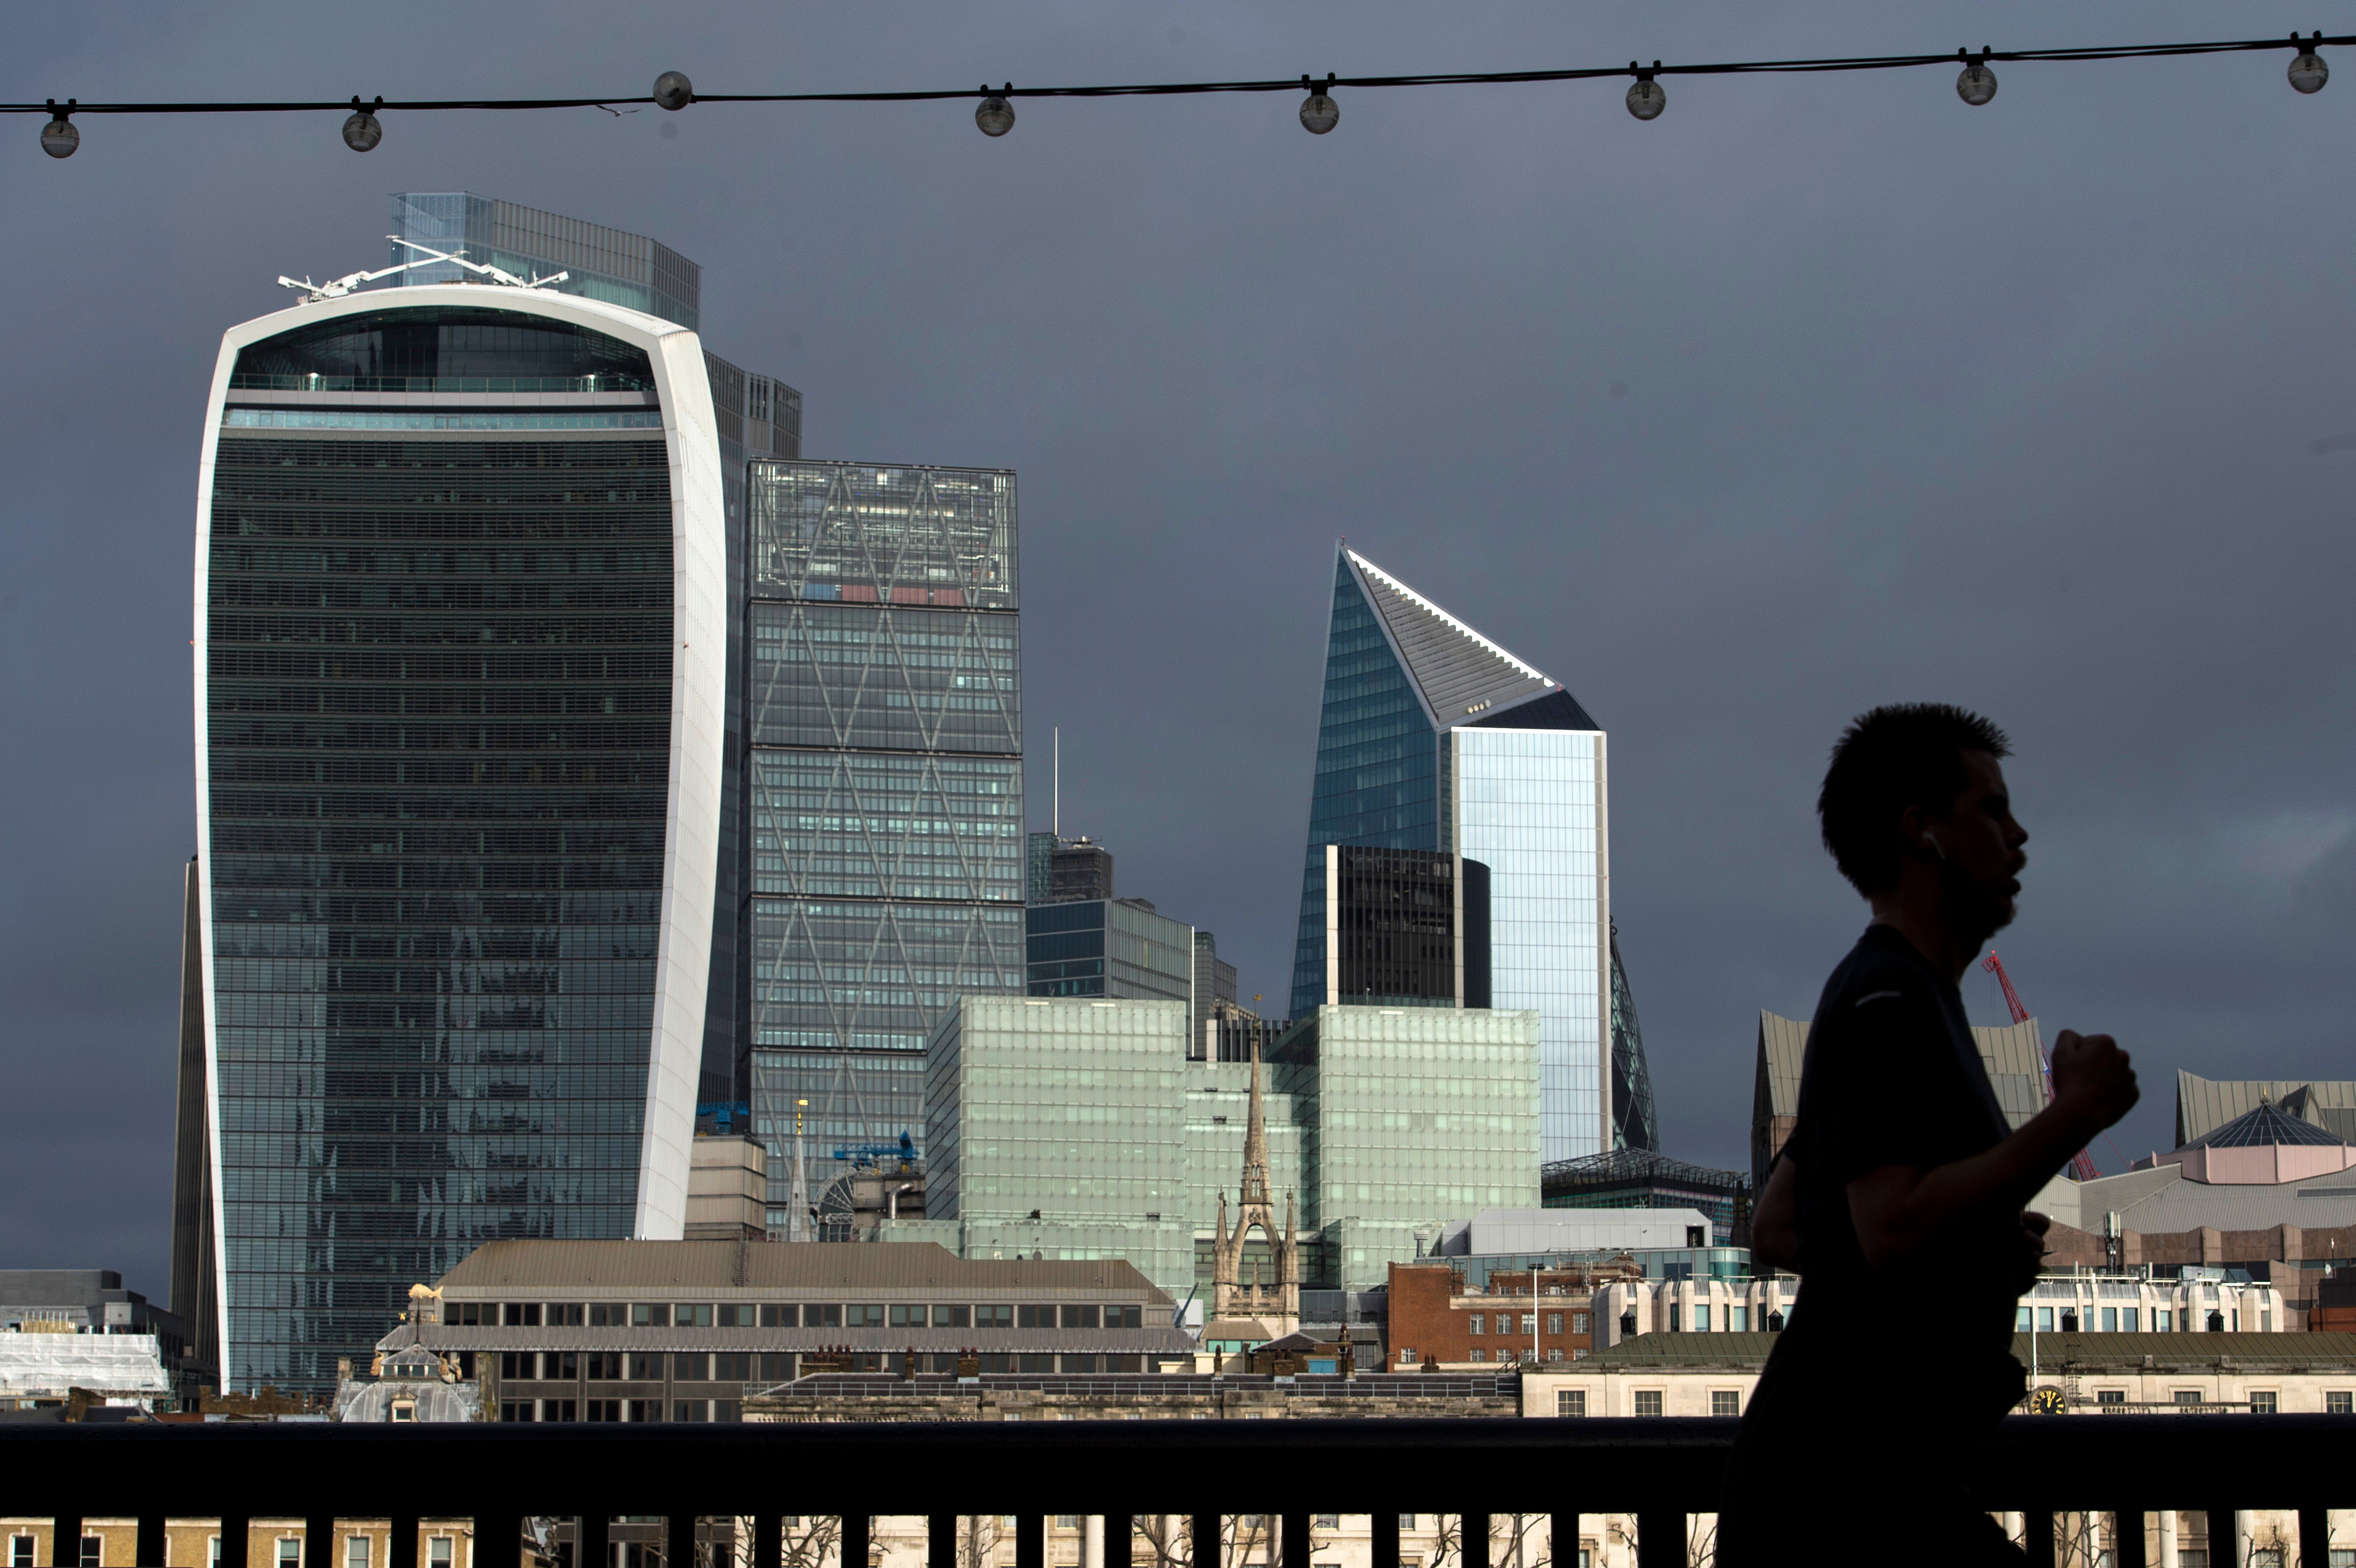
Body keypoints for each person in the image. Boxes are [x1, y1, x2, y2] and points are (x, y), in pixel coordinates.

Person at [1716, 704, 2139, 1565]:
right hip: (1849, 1497)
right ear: (1922, 832)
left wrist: (1975, 1245)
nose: (2018, 836)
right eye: (1990, 808)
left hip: (1840, 1482)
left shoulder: (1886, 993)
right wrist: (2074, 1115)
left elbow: (1779, 1223)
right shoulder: (1888, 1003)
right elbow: (1894, 1224)